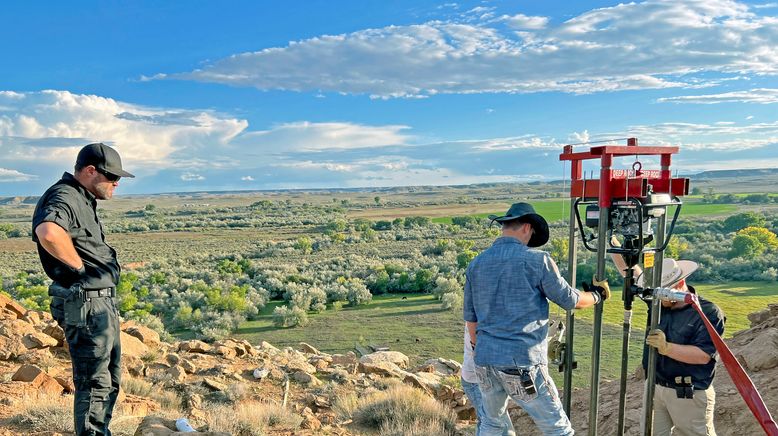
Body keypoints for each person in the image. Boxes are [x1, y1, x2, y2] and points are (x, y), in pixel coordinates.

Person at [463, 202, 610, 436]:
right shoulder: (537, 261)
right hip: (522, 362)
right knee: (557, 429)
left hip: (485, 360)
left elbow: (471, 320)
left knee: (492, 424)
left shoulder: (476, 264)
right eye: (532, 234)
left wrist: (478, 349)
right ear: (527, 228)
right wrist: (597, 295)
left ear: (505, 227)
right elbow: (570, 300)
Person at [32, 143, 134, 436]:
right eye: (112, 177)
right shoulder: (64, 196)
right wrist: (80, 269)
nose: (116, 183)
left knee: (109, 379)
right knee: (94, 383)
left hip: (98, 304)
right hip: (87, 304)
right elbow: (49, 233)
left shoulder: (81, 198)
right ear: (91, 171)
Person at [637, 258, 725, 436]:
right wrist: (614, 241)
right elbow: (630, 271)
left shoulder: (708, 312)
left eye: (664, 291)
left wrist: (667, 347)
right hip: (656, 386)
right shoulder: (658, 303)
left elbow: (704, 355)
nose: (660, 297)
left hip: (688, 393)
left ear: (680, 283)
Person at [461, 325, 515, 436]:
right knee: (500, 428)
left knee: (487, 423)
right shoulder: (482, 316)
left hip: (480, 378)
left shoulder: (485, 312)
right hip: (477, 381)